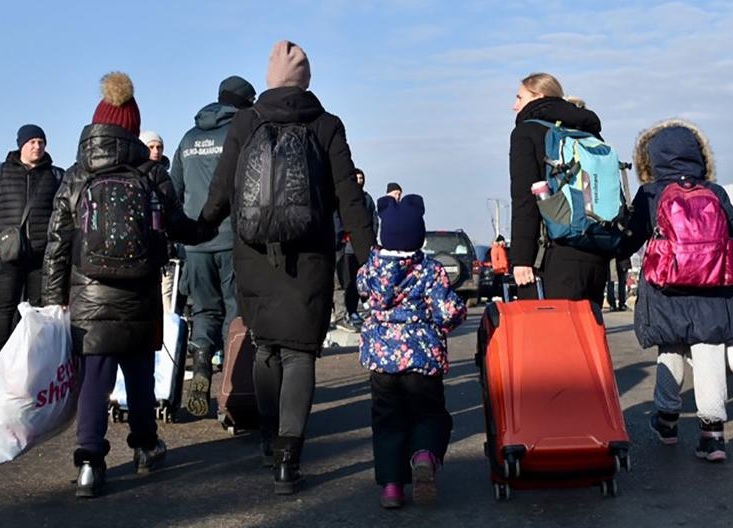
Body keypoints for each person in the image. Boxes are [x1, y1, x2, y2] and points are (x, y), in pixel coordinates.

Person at [199, 40, 376, 494]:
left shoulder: (246, 120)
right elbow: (348, 197)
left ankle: (266, 438)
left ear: (269, 77)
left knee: (266, 348)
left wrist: (192, 229)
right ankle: (287, 460)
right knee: (299, 353)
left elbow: (221, 193)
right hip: (310, 257)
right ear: (307, 80)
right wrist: (370, 256)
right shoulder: (327, 125)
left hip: (253, 252)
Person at [42, 72, 216, 498]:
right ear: (134, 128)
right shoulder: (151, 173)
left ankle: (89, 463)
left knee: (95, 381)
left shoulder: (77, 175)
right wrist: (211, 224)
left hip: (89, 296)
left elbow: (57, 243)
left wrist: (51, 301)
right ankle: (144, 447)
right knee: (139, 377)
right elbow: (180, 228)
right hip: (139, 293)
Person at [620, 118, 731, 462]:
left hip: (666, 289)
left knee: (670, 352)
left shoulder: (651, 193)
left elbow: (631, 238)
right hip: (712, 289)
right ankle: (712, 437)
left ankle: (667, 421)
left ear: (651, 159)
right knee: (708, 353)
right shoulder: (714, 192)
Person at [357, 194, 466, 509]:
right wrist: (451, 319)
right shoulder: (429, 269)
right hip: (421, 359)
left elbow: (361, 291)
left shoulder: (370, 269)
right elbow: (447, 311)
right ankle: (423, 456)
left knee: (387, 421)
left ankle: (392, 487)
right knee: (429, 414)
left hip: (381, 361)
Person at [170, 75, 256, 417]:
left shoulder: (188, 139)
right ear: (244, 103)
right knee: (235, 313)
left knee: (204, 311)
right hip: (232, 240)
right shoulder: (240, 134)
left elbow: (173, 189)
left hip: (195, 245)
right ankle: (229, 391)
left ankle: (201, 370)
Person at [509, 73, 609, 306]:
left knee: (550, 337)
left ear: (539, 96)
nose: (514, 105)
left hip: (553, 254)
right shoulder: (587, 130)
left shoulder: (527, 132)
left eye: (519, 97)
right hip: (596, 250)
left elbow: (524, 200)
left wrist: (522, 259)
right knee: (587, 337)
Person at [0, 125, 63, 348]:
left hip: (41, 254)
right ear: (21, 145)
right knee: (5, 307)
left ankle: (32, 354)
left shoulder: (55, 175)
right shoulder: (3, 172)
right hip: (8, 254)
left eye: (41, 142)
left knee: (37, 309)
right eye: (32, 142)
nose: (37, 146)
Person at [140, 131, 180, 315]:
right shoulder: (136, 178)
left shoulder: (168, 178)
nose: (156, 151)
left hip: (166, 250)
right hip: (142, 249)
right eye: (151, 147)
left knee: (167, 301)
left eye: (159, 147)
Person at [334, 167, 378, 332]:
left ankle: (354, 311)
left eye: (361, 178)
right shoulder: (343, 199)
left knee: (360, 282)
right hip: (345, 247)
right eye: (356, 178)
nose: (359, 181)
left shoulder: (367, 199)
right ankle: (344, 313)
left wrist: (372, 240)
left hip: (362, 247)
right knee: (344, 282)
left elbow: (373, 220)